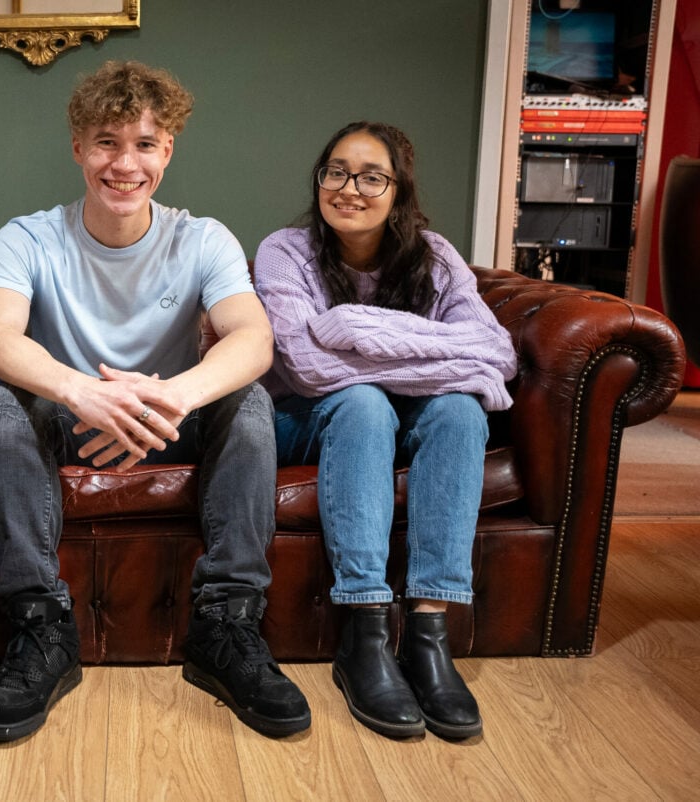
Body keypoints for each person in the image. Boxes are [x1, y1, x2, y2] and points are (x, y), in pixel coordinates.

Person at [0, 60, 310, 742]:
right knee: (6, 408)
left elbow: (253, 340)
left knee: (247, 404)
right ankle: (41, 632)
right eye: (106, 142)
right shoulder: (28, 236)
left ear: (168, 151)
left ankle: (226, 627)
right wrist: (85, 393)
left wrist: (168, 401)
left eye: (145, 144)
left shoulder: (202, 238)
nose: (125, 164)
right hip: (73, 421)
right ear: (76, 148)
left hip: (174, 416)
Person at [253, 121, 518, 740]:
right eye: (336, 172)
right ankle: (364, 630)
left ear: (398, 191)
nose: (350, 188)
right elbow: (309, 366)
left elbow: (496, 352)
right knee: (365, 400)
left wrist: (355, 326)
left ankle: (429, 633)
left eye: (372, 176)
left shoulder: (436, 257)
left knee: (459, 410)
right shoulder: (284, 250)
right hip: (306, 416)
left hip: (404, 413)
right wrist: (430, 354)